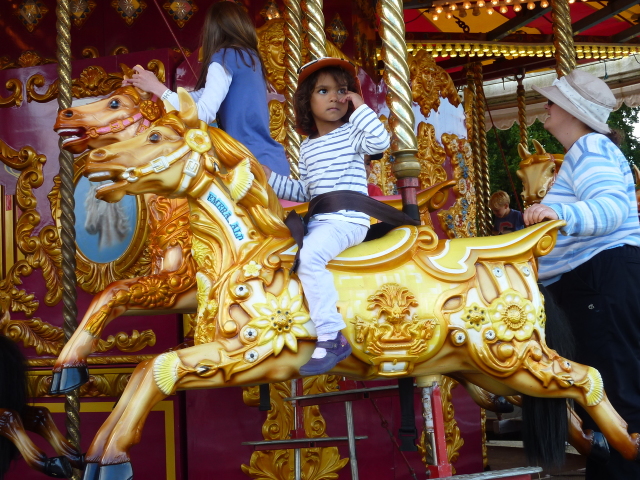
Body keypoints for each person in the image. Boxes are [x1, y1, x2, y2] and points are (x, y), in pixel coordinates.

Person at [524, 69, 640, 480]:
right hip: (593, 280)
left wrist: (557, 213)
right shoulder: (583, 153)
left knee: (614, 393)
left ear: (572, 110)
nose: (546, 107)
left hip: (599, 278)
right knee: (602, 392)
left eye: (553, 101)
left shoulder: (591, 147)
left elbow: (612, 208)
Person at [262, 57, 390, 375]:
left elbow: (380, 141)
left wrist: (361, 107)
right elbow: (306, 191)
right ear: (307, 100)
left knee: (309, 257)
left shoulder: (352, 134)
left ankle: (332, 336)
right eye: (323, 91)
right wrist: (268, 178)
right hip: (321, 221)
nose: (335, 97)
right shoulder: (308, 147)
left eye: (341, 90)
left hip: (348, 219)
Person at [122, 1, 289, 176]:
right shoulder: (250, 58)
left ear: (212, 31)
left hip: (249, 167)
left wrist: (158, 88)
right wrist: (152, 88)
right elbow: (201, 96)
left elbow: (202, 113)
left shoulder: (225, 57)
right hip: (269, 160)